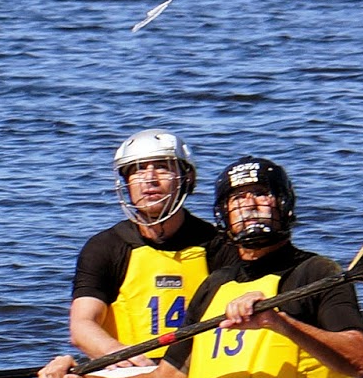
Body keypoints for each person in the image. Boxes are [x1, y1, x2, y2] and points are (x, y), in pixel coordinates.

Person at [40, 157, 363, 378]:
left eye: (261, 194)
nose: (250, 206)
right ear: (224, 216)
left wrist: (280, 323)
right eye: (238, 199)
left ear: (283, 205)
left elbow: (361, 362)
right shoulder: (214, 285)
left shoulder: (318, 272)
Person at [65, 128, 236, 365]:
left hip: (198, 372)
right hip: (129, 372)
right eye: (137, 170)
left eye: (163, 167)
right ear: (126, 183)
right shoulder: (104, 247)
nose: (150, 179)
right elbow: (82, 326)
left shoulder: (219, 245)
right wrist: (118, 353)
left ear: (186, 178)